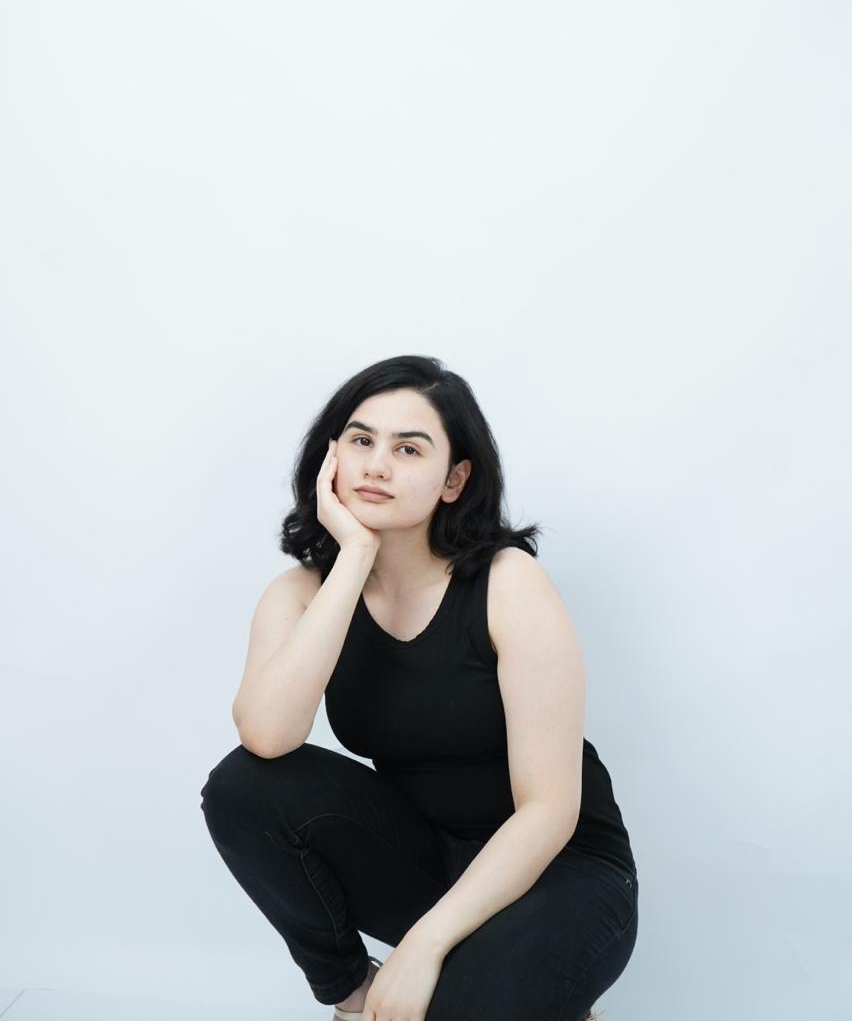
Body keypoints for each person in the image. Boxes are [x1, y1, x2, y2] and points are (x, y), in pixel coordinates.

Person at [199, 354, 639, 1020]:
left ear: (454, 479)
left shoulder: (508, 584)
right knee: (243, 786)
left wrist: (425, 945)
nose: (377, 466)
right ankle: (353, 998)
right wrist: (355, 557)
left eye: (408, 449)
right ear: (331, 457)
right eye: (361, 440)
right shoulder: (302, 594)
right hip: (429, 859)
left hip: (561, 871)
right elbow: (265, 737)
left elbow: (549, 809)